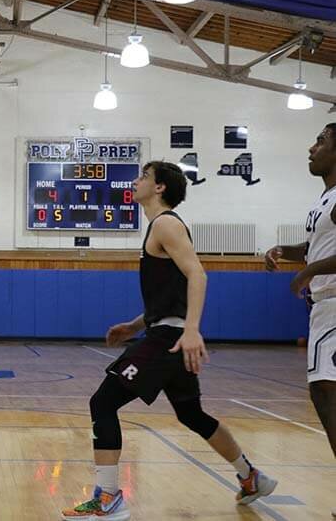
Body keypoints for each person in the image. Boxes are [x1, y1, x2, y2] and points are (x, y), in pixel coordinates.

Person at [62, 161, 277, 520]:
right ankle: (250, 476)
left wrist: (192, 329)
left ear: (159, 187)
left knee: (103, 402)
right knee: (191, 414)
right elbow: (172, 293)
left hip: (170, 339)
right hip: (166, 332)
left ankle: (108, 497)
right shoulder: (160, 228)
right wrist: (134, 326)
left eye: (143, 176)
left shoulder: (165, 224)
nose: (136, 181)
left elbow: (198, 274)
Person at [264, 122, 336, 519]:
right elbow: (316, 247)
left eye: (321, 141)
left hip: (334, 304)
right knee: (325, 393)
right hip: (324, 307)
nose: (312, 148)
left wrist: (307, 273)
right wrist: (287, 250)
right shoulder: (324, 199)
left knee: (324, 391)